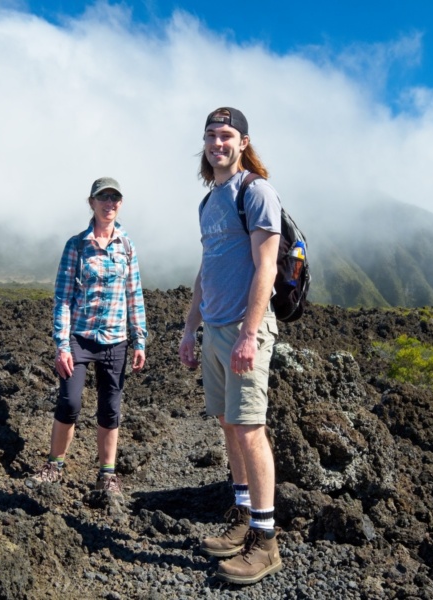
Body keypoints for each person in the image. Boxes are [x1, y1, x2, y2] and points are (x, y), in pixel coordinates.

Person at [178, 107, 283, 584]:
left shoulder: (255, 191)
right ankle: (243, 518)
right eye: (210, 135)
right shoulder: (209, 202)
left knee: (250, 429)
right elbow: (208, 268)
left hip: (245, 327)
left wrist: (248, 332)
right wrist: (189, 327)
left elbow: (267, 267)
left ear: (243, 142)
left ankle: (266, 542)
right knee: (228, 425)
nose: (217, 143)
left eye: (226, 135)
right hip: (216, 329)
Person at [32, 176, 148, 495]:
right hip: (79, 339)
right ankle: (54, 465)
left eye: (115, 198)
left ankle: (106, 475)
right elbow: (63, 297)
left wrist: (139, 340)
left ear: (120, 204)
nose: (109, 203)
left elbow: (133, 294)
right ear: (92, 202)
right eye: (103, 198)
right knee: (69, 401)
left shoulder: (127, 246)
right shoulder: (76, 245)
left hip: (115, 340)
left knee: (110, 409)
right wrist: (61, 345)